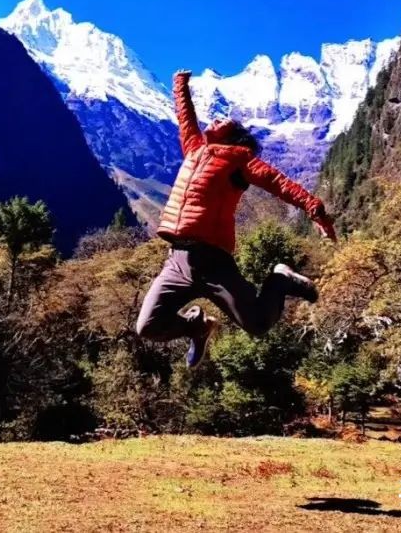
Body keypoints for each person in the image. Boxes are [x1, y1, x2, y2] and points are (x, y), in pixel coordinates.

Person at [135, 69, 337, 366]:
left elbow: (280, 184)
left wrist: (316, 212)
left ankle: (280, 279)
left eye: (225, 120)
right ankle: (198, 327)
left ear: (235, 133)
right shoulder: (194, 148)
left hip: (213, 261)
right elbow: (185, 117)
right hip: (177, 259)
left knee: (257, 325)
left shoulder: (241, 160)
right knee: (147, 327)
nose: (216, 119)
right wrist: (180, 83)